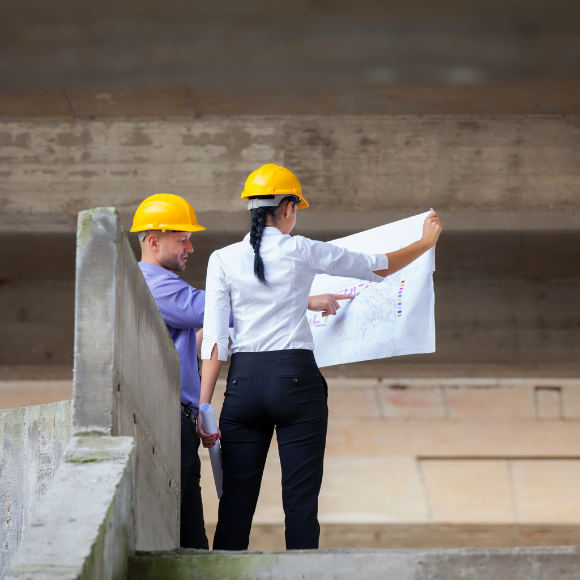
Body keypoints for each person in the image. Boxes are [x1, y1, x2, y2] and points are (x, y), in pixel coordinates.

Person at [198, 164, 443, 551]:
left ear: (250, 210)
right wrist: (424, 243)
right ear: (289, 208)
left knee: (235, 504)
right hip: (295, 382)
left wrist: (203, 406)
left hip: (243, 386)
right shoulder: (303, 250)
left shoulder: (222, 259)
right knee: (300, 503)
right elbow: (377, 265)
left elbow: (214, 341)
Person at [131, 192, 350, 549]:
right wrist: (304, 301)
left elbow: (210, 327)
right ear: (153, 242)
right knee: (189, 535)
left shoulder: (162, 287)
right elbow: (230, 305)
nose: (189, 247)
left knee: (195, 540)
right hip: (173, 421)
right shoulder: (155, 286)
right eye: (181, 239)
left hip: (184, 419)